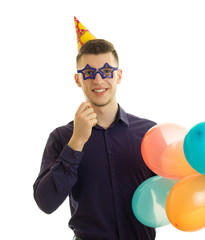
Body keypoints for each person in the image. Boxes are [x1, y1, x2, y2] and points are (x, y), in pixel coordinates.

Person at [33, 18, 156, 240]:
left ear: (118, 75)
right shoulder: (62, 137)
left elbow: (173, 186)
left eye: (107, 71)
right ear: (77, 80)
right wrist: (77, 142)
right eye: (88, 73)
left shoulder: (149, 133)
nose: (98, 80)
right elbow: (46, 203)